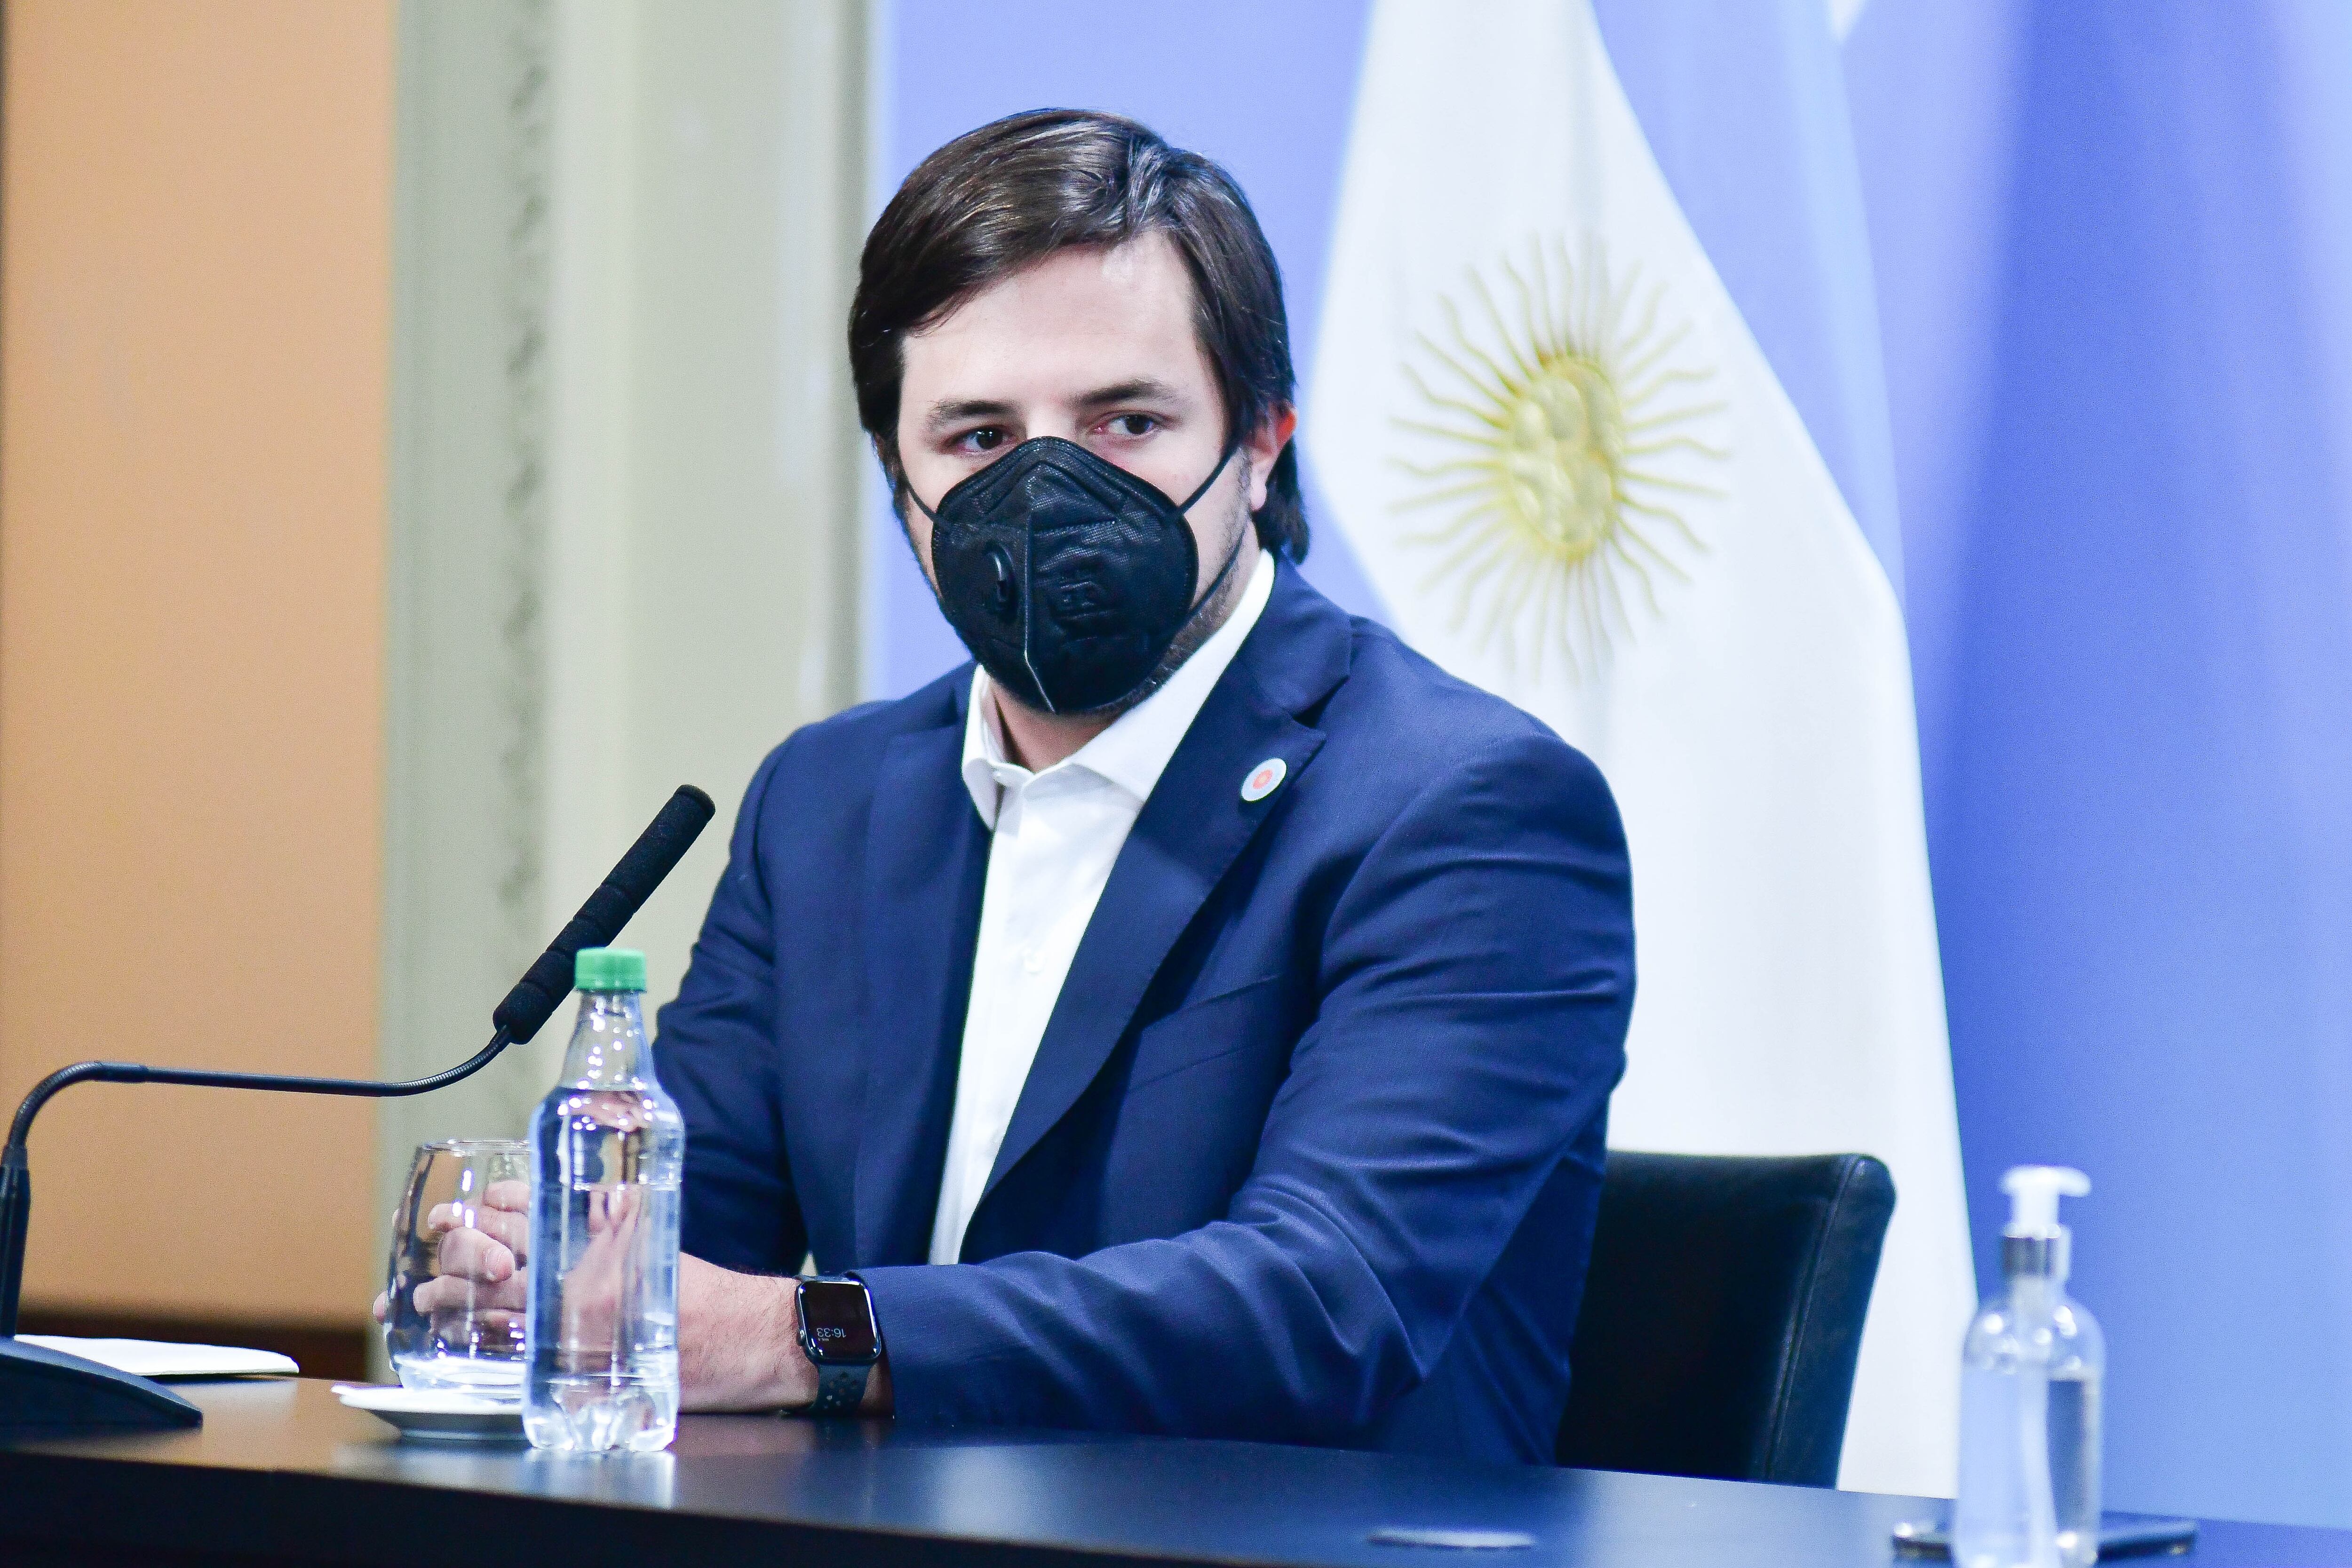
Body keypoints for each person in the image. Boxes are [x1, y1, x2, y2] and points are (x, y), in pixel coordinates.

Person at [421, 107, 1635, 1465]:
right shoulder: (829, 803)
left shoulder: (1469, 809)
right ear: (900, 479)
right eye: (979, 438)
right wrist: (545, 1271)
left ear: (1265, 440)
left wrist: (801, 1337)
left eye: (1125, 421)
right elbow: (685, 1248)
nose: (1048, 492)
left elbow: (1323, 1306)